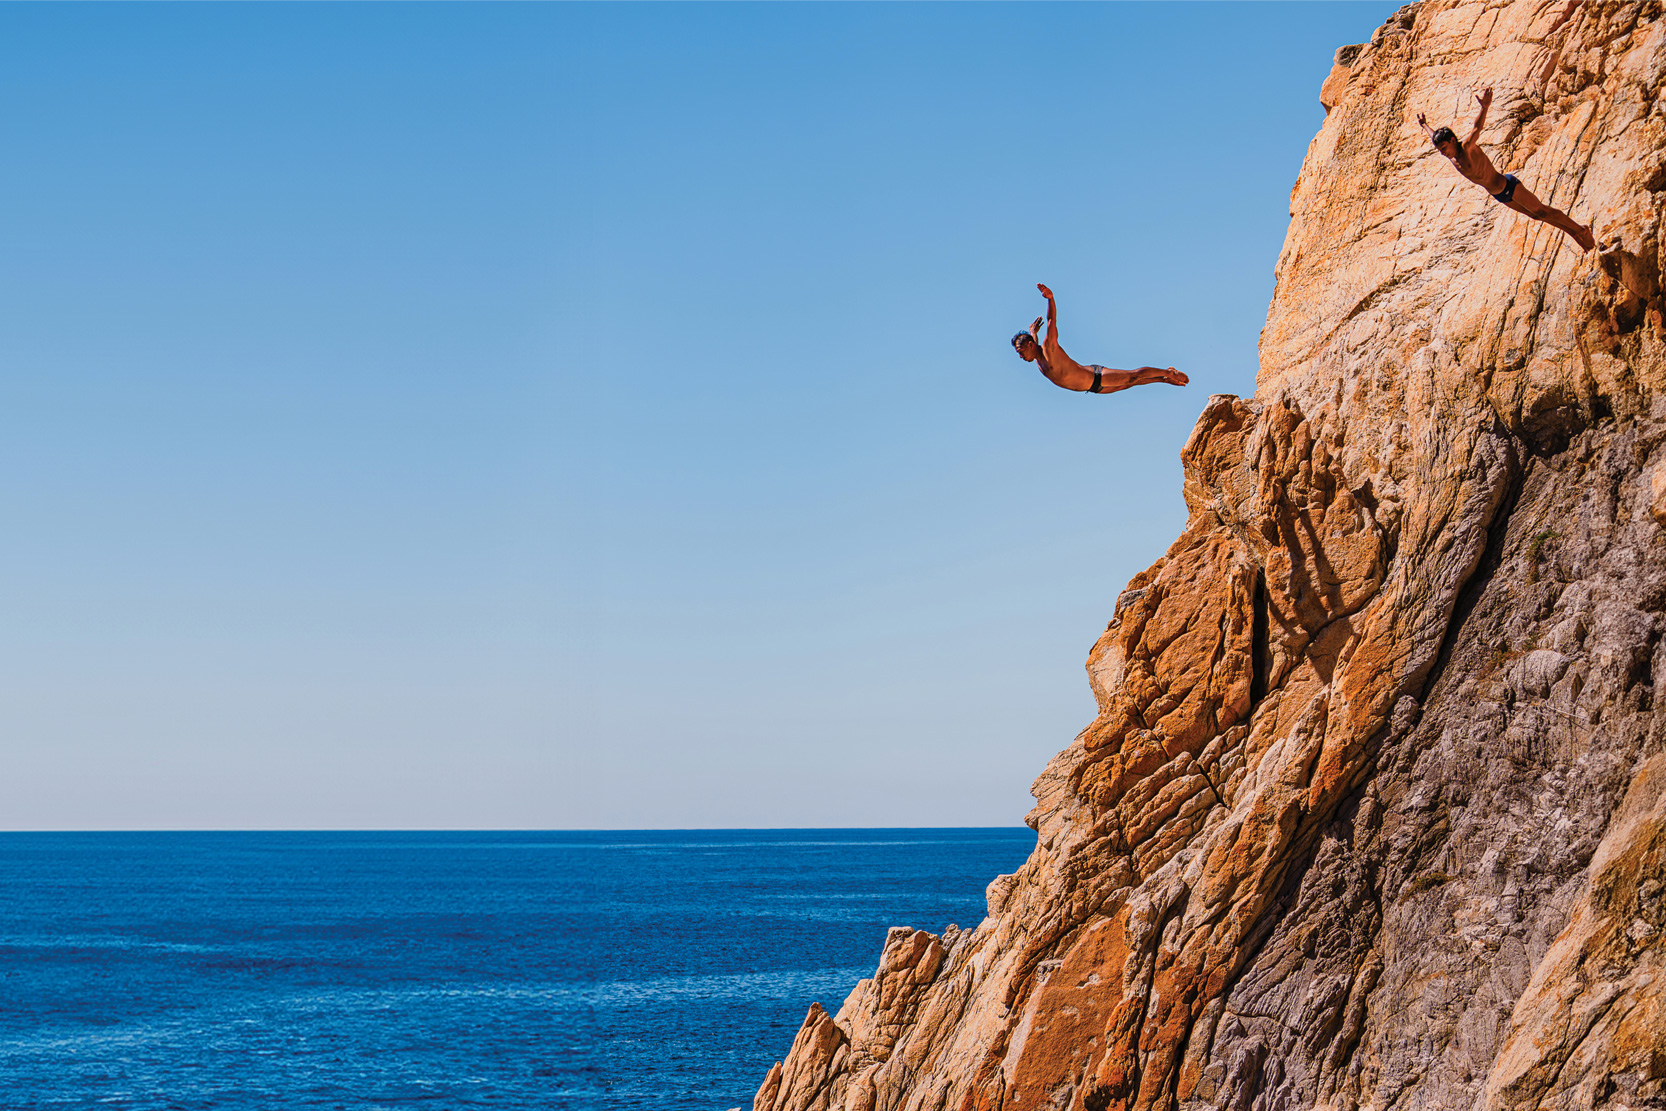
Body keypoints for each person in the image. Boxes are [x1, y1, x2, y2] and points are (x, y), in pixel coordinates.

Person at [1418, 88, 1595, 251]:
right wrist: (1424, 125)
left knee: (1542, 210)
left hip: (1507, 185)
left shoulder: (1466, 147)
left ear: (1451, 141)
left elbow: (1476, 128)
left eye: (1443, 148)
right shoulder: (1452, 156)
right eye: (1439, 150)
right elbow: (1434, 136)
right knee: (1536, 216)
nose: (1442, 153)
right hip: (1498, 194)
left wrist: (1485, 108)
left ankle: (1581, 230)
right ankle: (1574, 233)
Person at [1011, 284, 1187, 394]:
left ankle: (1168, 372)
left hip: (1096, 376)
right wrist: (1033, 331)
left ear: (1030, 345)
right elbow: (1034, 342)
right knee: (1131, 384)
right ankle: (1164, 379)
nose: (1020, 357)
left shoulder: (1049, 348)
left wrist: (1050, 299)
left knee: (1133, 377)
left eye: (1021, 352)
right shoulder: (1036, 356)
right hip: (1092, 388)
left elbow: (1051, 321)